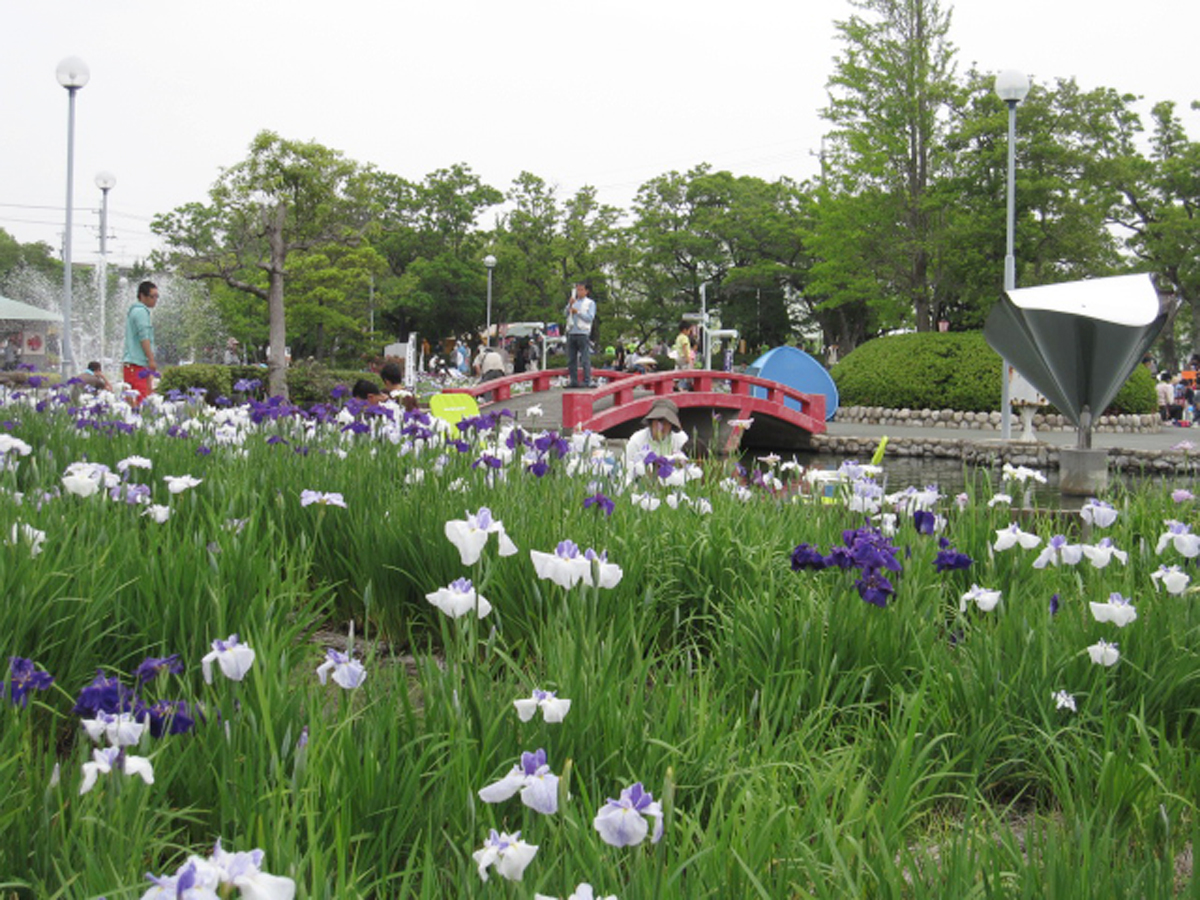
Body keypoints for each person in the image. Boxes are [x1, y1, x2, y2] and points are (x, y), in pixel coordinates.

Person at [624, 397, 688, 469]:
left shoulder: (680, 438)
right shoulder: (637, 440)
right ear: (651, 422)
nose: (661, 427)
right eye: (658, 421)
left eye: (666, 422)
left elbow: (686, 465)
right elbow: (627, 466)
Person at [122, 281, 159, 405]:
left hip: (133, 365)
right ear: (142, 296)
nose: (155, 300)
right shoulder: (141, 312)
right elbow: (144, 337)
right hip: (136, 365)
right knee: (140, 402)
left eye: (157, 296)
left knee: (134, 401)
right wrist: (151, 359)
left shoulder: (135, 311)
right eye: (152, 296)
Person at [564, 280, 596, 388]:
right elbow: (565, 313)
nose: (579, 292)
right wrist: (570, 305)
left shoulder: (590, 303)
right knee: (571, 358)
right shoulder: (573, 301)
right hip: (572, 331)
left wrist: (578, 312)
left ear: (587, 291)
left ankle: (587, 380)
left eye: (581, 290)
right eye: (578, 290)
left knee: (585, 358)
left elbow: (590, 318)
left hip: (583, 332)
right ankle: (573, 380)